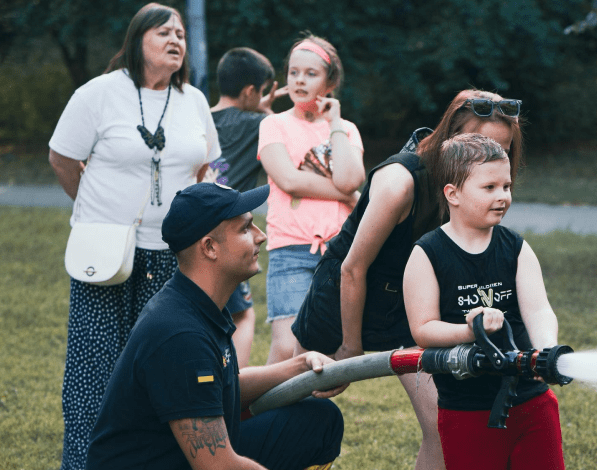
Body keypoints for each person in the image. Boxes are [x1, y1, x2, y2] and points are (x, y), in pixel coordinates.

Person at [291, 89, 524, 470]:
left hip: (409, 304)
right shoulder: (399, 182)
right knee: (292, 402)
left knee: (444, 427)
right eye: (482, 145)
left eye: (503, 149)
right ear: (452, 137)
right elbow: (352, 268)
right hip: (343, 295)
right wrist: (350, 349)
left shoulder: (480, 188)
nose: (493, 159)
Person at [48, 4, 220, 468]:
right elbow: (62, 159)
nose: (176, 40)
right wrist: (94, 210)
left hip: (173, 255)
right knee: (94, 369)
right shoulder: (98, 94)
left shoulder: (193, 101)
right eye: (164, 32)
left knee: (164, 367)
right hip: (106, 254)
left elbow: (205, 167)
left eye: (180, 33)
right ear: (137, 40)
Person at [86, 183, 345, 470]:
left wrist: (300, 367)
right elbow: (218, 467)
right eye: (245, 229)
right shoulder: (180, 335)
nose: (260, 236)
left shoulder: (196, 303)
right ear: (209, 247)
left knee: (318, 421)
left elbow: (222, 388)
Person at [403, 133, 564, 470]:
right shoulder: (427, 254)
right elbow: (423, 329)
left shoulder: (515, 247)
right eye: (489, 187)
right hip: (466, 410)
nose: (502, 196)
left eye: (506, 186)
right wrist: (469, 330)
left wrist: (545, 348)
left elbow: (538, 309)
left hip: (531, 402)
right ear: (453, 194)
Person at [258, 34, 364, 364]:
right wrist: (351, 197)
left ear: (330, 83)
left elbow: (351, 178)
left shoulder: (346, 129)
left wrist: (334, 124)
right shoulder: (273, 124)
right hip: (290, 248)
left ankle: (311, 402)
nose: (299, 80)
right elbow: (289, 180)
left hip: (338, 252)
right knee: (287, 346)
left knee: (323, 350)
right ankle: (256, 398)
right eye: (293, 72)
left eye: (310, 73)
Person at [206, 47, 287, 368]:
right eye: (262, 91)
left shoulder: (200, 119)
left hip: (193, 232)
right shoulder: (260, 125)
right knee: (242, 315)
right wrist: (265, 114)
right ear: (250, 91)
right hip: (229, 233)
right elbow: (284, 144)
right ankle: (233, 382)